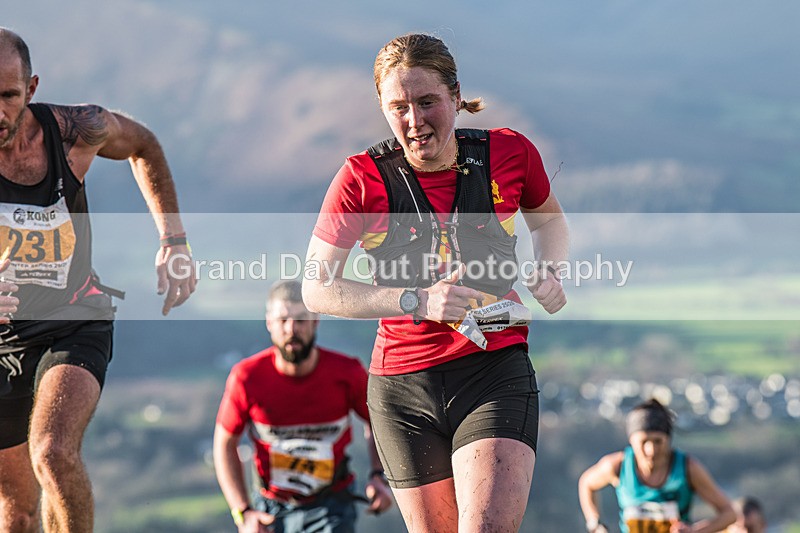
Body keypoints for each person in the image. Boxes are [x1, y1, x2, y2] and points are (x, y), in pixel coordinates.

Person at [302, 33, 568, 532]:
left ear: (455, 95)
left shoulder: (508, 153)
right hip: (402, 389)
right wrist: (416, 299)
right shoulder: (362, 180)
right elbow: (316, 288)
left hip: (492, 368)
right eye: (397, 107)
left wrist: (550, 269)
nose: (414, 121)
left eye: (427, 103)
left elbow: (549, 222)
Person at [0, 28, 195, 532]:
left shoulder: (73, 131)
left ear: (32, 88)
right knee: (17, 512)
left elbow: (144, 145)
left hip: (74, 318)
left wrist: (173, 241)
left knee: (53, 453)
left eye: (8, 96)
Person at [213, 280, 394, 533]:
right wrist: (242, 512)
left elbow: (379, 423)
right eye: (283, 320)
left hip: (332, 506)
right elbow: (224, 443)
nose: (291, 329)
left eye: (301, 320)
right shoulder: (246, 378)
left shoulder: (347, 372)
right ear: (269, 323)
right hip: (270, 511)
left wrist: (379, 475)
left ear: (315, 321)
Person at [578, 399, 736, 533]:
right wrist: (595, 525)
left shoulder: (687, 468)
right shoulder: (617, 466)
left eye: (658, 441)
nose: (651, 450)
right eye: (644, 441)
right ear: (631, 440)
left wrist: (694, 531)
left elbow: (729, 514)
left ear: (668, 440)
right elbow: (586, 483)